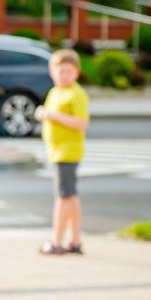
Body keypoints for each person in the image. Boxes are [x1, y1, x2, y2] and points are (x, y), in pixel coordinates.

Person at [35, 49, 90, 255]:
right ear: (52, 72)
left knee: (63, 197)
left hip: (67, 152)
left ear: (76, 73)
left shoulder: (76, 94)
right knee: (71, 195)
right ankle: (75, 241)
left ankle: (57, 242)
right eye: (60, 71)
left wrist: (52, 115)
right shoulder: (55, 91)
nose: (63, 75)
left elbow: (81, 123)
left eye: (68, 71)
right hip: (56, 151)